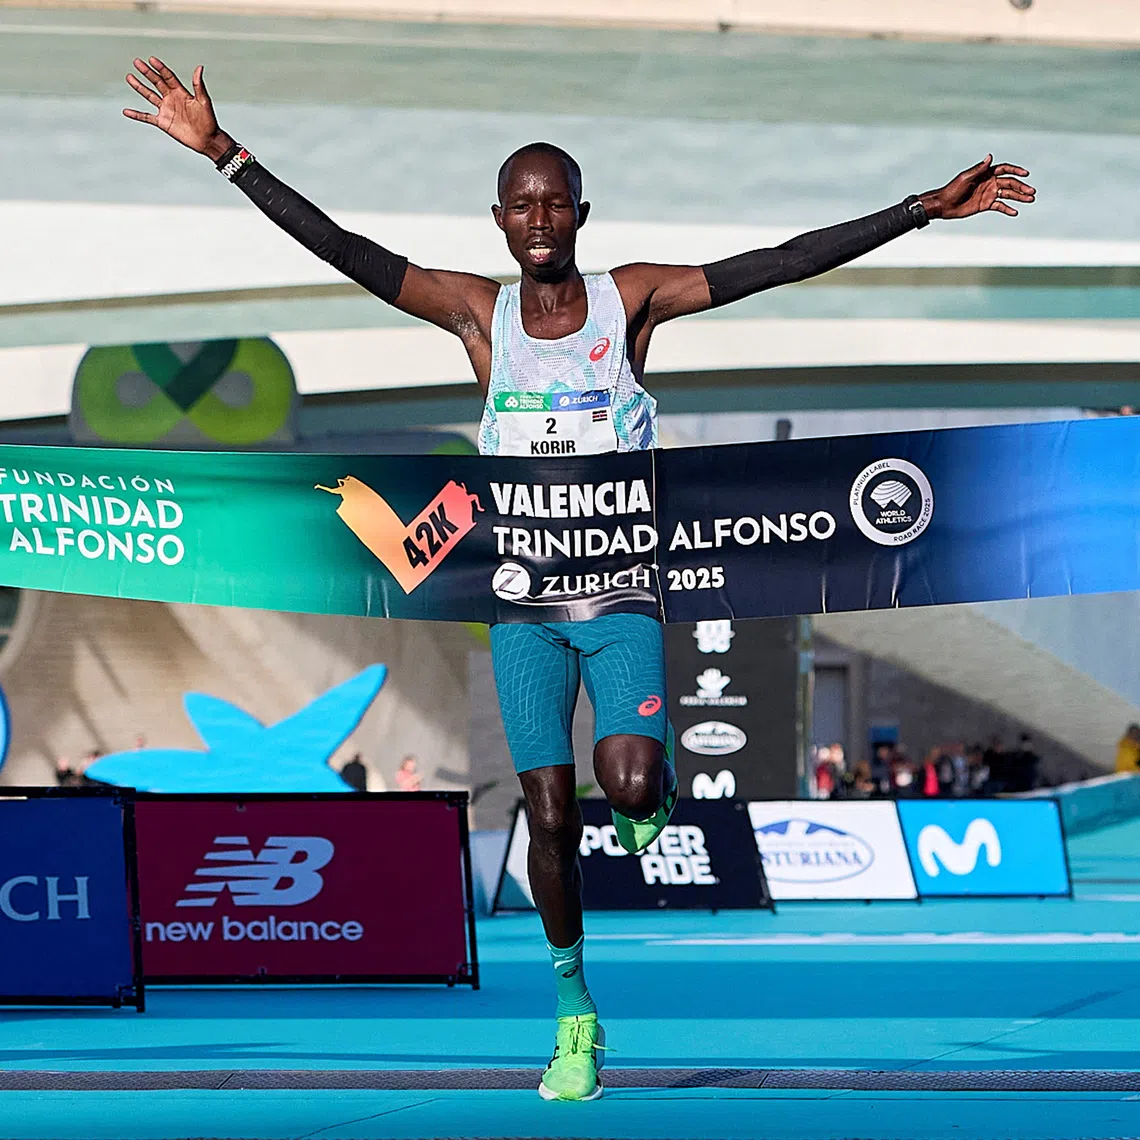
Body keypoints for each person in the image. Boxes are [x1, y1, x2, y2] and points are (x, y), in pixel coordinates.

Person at [122, 54, 1034, 1102]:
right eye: (522, 204)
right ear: (500, 220)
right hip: (522, 612)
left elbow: (777, 262)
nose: (541, 216)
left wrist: (920, 208)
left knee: (633, 787)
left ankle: (656, 782)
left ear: (582, 212)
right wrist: (227, 154)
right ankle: (573, 1014)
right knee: (549, 816)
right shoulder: (478, 316)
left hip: (623, 601)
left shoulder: (630, 304)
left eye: (557, 200)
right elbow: (349, 252)